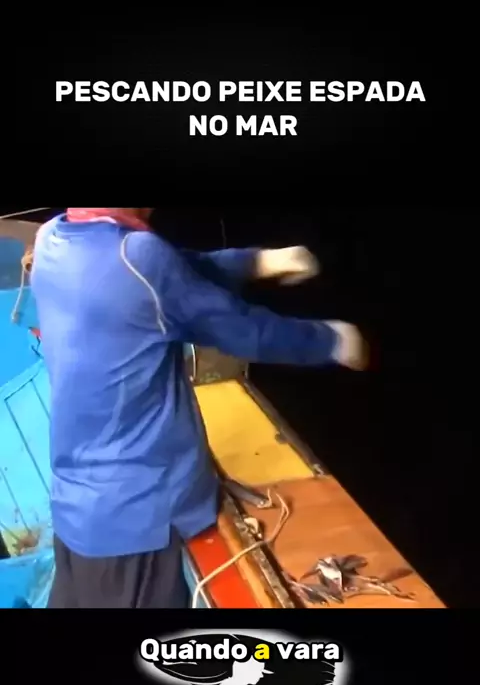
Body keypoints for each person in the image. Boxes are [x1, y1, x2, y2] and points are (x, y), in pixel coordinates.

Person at [29, 207, 368, 609]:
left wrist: (257, 262)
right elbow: (240, 329)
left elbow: (174, 271)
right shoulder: (137, 258)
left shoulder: (53, 238)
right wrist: (332, 341)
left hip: (77, 505)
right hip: (138, 516)